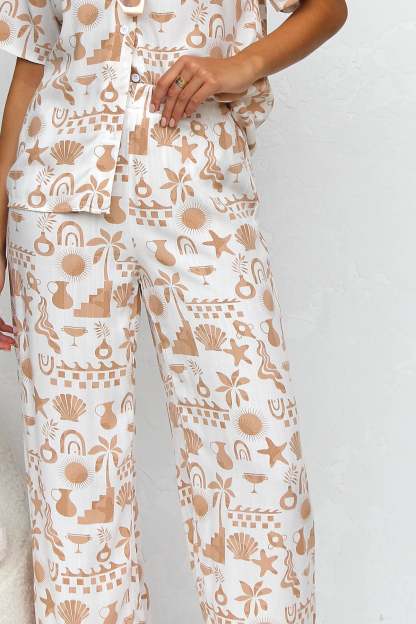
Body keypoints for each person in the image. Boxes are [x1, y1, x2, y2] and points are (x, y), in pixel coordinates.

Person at [0, 0, 347, 622]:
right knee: (74, 467)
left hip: (199, 193)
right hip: (57, 199)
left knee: (256, 443)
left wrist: (244, 64)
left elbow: (327, 7)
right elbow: (33, 62)